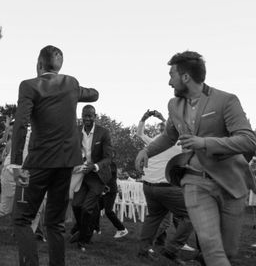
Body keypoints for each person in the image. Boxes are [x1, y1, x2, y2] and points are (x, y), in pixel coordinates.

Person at [136, 51, 256, 266]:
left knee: (227, 251)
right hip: (194, 181)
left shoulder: (226, 100)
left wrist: (205, 143)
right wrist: (147, 151)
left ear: (185, 77)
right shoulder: (174, 105)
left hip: (230, 183)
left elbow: (248, 140)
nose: (168, 81)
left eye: (171, 74)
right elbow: (169, 136)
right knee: (211, 244)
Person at [11, 45, 99, 266]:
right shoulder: (71, 84)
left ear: (39, 64)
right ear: (59, 66)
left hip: (39, 163)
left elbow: (21, 124)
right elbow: (94, 94)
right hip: (65, 163)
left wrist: (15, 163)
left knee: (21, 218)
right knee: (55, 222)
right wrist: (80, 93)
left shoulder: (29, 85)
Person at [135, 109, 194, 263]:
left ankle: (143, 252)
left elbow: (140, 133)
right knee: (192, 214)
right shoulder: (179, 141)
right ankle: (172, 249)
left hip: (148, 187)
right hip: (167, 189)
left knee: (154, 218)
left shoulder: (154, 142)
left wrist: (144, 118)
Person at [70, 105, 113, 251]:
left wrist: (94, 166)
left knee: (87, 208)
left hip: (98, 176)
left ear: (95, 116)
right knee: (76, 205)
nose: (87, 118)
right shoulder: (76, 131)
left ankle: (83, 240)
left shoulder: (104, 133)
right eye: (85, 115)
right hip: (82, 173)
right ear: (81, 115)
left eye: (90, 115)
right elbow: (74, 150)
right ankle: (83, 231)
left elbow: (108, 158)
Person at [93, 157, 128, 239]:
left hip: (111, 190)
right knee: (96, 208)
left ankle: (122, 229)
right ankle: (96, 228)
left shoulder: (111, 164)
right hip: (104, 190)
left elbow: (108, 174)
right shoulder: (104, 163)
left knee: (108, 211)